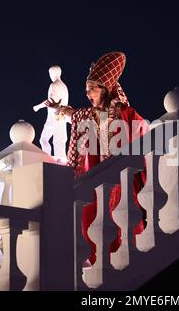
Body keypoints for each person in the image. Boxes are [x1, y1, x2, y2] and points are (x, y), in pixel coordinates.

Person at [45, 52, 149, 266]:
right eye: (86, 89)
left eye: (92, 88)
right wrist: (58, 109)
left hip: (119, 183)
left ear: (105, 88)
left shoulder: (125, 113)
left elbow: (144, 136)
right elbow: (76, 115)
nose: (88, 93)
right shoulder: (89, 115)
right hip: (93, 182)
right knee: (89, 222)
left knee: (121, 222)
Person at [33, 65, 70, 163]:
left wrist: (37, 107)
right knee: (59, 142)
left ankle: (49, 161)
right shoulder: (64, 86)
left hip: (54, 117)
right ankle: (61, 164)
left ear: (52, 73)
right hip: (62, 117)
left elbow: (49, 101)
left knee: (44, 140)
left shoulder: (54, 85)